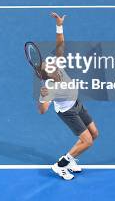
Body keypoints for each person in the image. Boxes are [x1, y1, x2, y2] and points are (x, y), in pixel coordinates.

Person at [37, 12, 99, 180]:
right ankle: (60, 165)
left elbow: (60, 43)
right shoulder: (49, 87)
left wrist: (59, 25)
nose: (52, 65)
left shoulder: (56, 64)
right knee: (87, 141)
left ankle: (70, 159)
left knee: (94, 134)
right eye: (48, 67)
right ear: (47, 75)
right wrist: (42, 99)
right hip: (67, 111)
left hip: (76, 103)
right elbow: (42, 111)